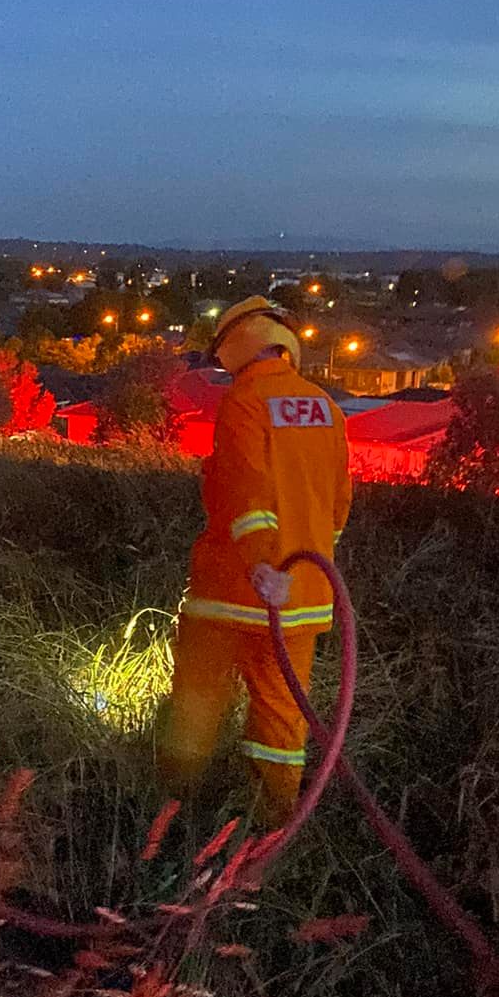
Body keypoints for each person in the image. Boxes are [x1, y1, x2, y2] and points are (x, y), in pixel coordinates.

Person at [159, 295, 350, 819]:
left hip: (235, 594)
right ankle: (271, 823)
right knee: (283, 721)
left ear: (235, 347)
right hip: (304, 601)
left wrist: (265, 564)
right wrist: (298, 570)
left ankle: (173, 811)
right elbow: (337, 507)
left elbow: (245, 494)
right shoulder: (325, 407)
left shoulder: (244, 400)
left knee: (197, 704)